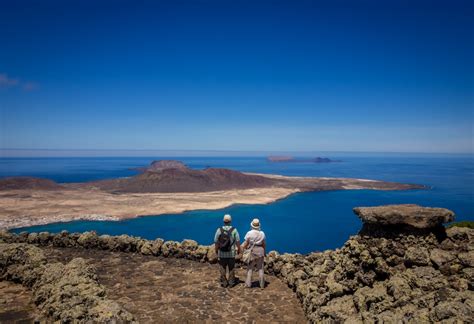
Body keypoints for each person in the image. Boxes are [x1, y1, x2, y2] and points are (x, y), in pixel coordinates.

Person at [214, 214, 241, 287]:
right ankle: (231, 282)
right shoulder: (234, 230)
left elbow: (216, 241)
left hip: (222, 252)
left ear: (223, 221)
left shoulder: (219, 230)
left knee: (222, 268)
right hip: (231, 253)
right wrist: (239, 249)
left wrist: (216, 250)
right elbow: (238, 241)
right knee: (231, 268)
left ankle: (224, 282)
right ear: (230, 221)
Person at [242, 218, 266, 288]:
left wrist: (244, 249)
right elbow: (264, 244)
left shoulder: (249, 233)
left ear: (252, 225)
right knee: (261, 269)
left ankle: (248, 284)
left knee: (250, 269)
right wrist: (264, 252)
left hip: (252, 252)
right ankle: (262, 285)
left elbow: (246, 243)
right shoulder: (262, 233)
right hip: (260, 251)